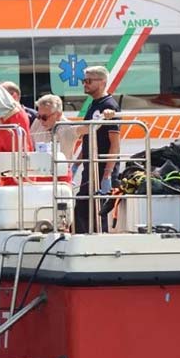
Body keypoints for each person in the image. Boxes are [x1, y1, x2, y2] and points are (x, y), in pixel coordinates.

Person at [74, 66, 120, 234]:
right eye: (83, 80)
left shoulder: (109, 106)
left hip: (101, 168)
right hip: (90, 167)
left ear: (102, 82)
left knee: (95, 210)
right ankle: (85, 240)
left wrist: (107, 175)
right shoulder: (94, 104)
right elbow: (88, 137)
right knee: (83, 208)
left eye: (89, 81)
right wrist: (76, 164)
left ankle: (98, 242)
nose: (84, 84)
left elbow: (114, 144)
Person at [30, 94, 79, 161]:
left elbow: (87, 127)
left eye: (44, 117)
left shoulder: (68, 127)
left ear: (58, 115)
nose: (41, 121)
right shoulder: (37, 122)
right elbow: (29, 145)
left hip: (61, 169)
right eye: (38, 116)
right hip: (40, 168)